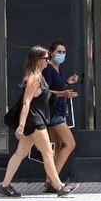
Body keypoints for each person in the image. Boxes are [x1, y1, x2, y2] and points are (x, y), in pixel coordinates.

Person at [0, 46, 78, 198]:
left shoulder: (39, 76)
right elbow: (26, 103)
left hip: (34, 120)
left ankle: (4, 185)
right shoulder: (33, 78)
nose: (48, 61)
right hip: (35, 122)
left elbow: (45, 97)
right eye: (46, 58)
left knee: (20, 153)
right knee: (48, 154)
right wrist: (21, 126)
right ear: (37, 60)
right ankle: (59, 187)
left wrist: (64, 91)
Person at [41, 40, 80, 188]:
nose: (62, 54)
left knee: (56, 146)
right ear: (51, 53)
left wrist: (68, 82)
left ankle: (49, 181)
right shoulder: (48, 69)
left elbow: (57, 86)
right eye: (59, 52)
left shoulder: (58, 69)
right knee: (70, 144)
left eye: (64, 52)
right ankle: (53, 181)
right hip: (54, 113)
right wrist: (64, 93)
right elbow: (45, 91)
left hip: (58, 112)